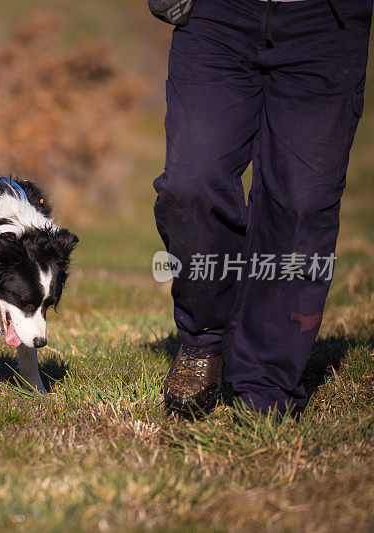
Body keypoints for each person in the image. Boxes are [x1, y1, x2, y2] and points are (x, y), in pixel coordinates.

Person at [153, 0, 372, 418]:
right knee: (191, 184)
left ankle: (264, 380)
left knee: (301, 205)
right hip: (218, 17)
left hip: (327, 25)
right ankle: (204, 336)